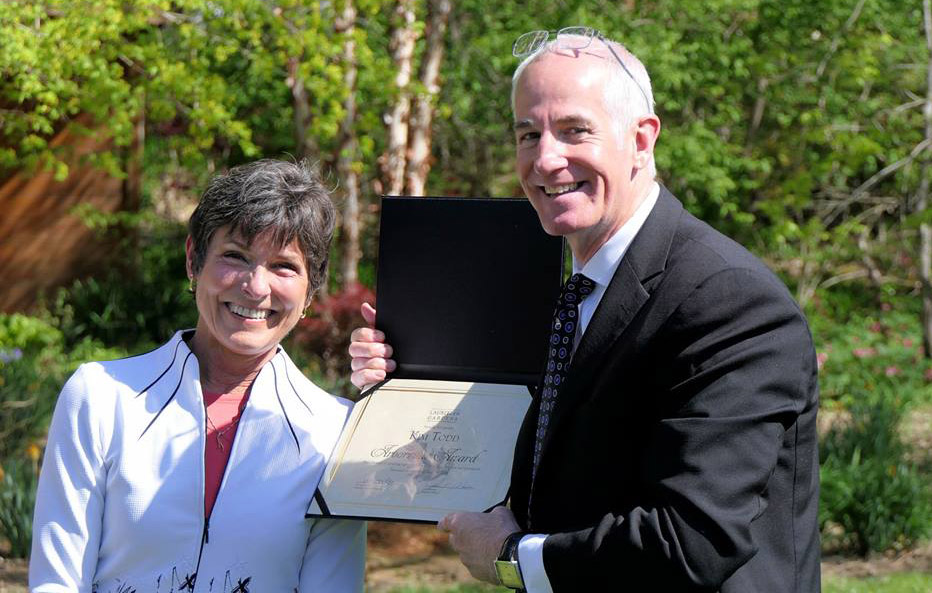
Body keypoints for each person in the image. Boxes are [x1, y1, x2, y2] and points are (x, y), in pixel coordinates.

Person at [349, 27, 820, 592]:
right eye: (528, 134)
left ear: (641, 140)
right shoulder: (567, 293)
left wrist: (511, 555)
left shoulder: (728, 301)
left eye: (575, 131)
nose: (546, 160)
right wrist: (399, 386)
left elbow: (692, 541)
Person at [30, 160, 366, 592]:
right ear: (194, 261)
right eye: (235, 256)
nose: (256, 286)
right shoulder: (100, 398)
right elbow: (56, 583)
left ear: (310, 290)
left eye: (284, 266)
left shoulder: (336, 433)